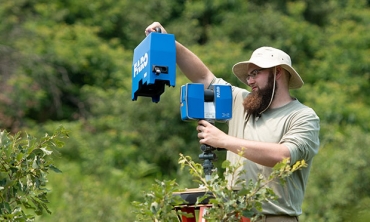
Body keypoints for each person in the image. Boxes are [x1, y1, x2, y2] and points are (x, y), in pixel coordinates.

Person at [145, 22, 320, 222]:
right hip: (233, 215)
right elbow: (204, 77)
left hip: (275, 217)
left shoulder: (303, 116)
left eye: (256, 73)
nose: (250, 81)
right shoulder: (243, 103)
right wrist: (170, 43)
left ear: (277, 72)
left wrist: (224, 140)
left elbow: (283, 156)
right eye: (248, 75)